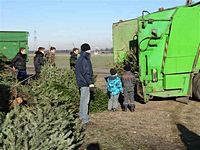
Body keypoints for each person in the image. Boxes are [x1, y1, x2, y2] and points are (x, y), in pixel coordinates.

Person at [75, 43, 94, 124]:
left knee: (83, 100)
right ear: (88, 49)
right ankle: (84, 119)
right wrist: (90, 83)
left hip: (81, 82)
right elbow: (86, 72)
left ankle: (82, 116)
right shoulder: (85, 59)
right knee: (85, 101)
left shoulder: (79, 58)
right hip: (85, 83)